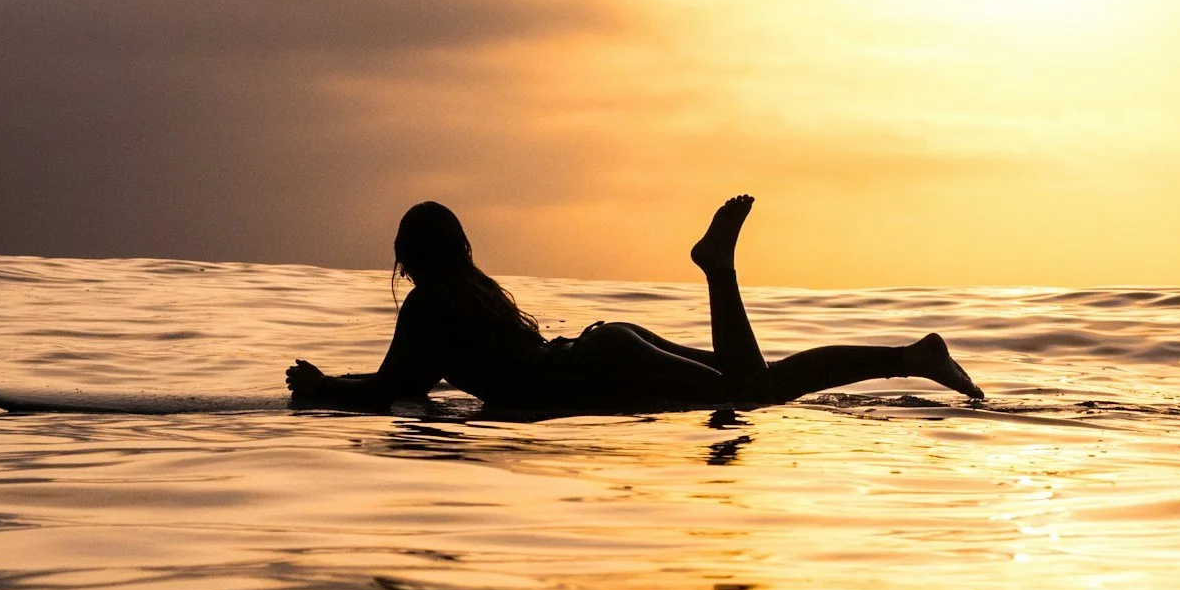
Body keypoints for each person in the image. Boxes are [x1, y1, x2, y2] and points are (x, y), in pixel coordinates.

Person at [285, 195, 982, 415]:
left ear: (407, 257)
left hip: (594, 372)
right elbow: (414, 385)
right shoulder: (476, 294)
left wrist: (321, 389)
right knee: (763, 382)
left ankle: (718, 270)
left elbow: (395, 390)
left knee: (751, 392)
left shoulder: (428, 309)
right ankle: (907, 356)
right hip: (603, 347)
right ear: (460, 246)